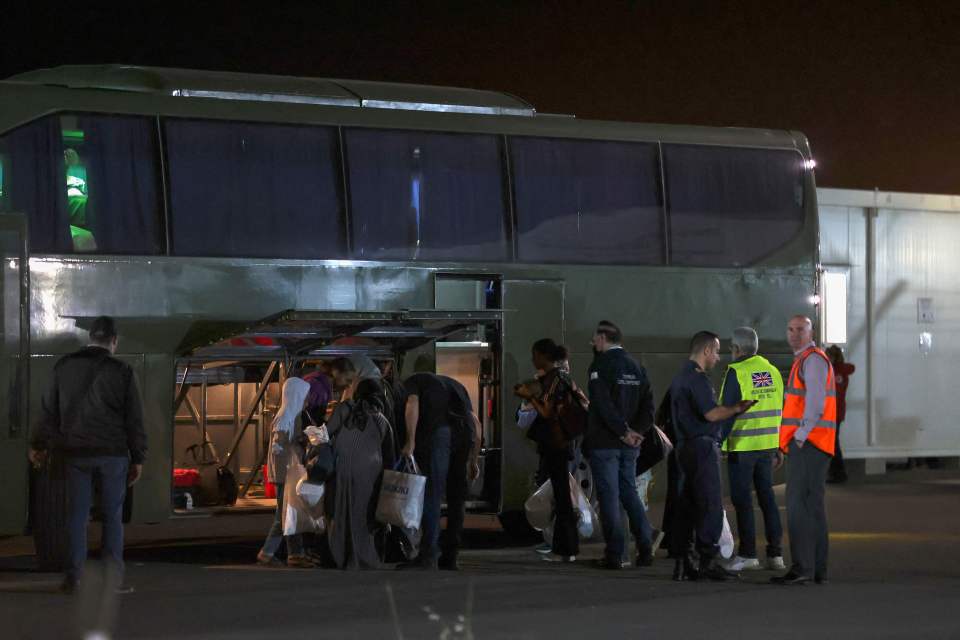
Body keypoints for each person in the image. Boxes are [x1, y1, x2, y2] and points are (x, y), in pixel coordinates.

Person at [28, 316, 147, 594]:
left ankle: (74, 578)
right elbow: (134, 420)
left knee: (76, 516)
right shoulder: (122, 371)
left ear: (90, 337)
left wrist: (37, 444)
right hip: (112, 456)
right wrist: (138, 457)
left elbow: (48, 411)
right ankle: (111, 581)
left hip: (73, 455)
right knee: (112, 517)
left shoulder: (64, 367)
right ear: (114, 342)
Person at [669, 331, 755, 581]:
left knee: (687, 505)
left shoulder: (680, 377)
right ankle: (707, 560)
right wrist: (738, 408)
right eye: (716, 351)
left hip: (684, 447)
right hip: (702, 448)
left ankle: (684, 562)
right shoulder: (697, 379)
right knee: (709, 505)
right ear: (706, 351)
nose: (718, 357)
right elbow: (711, 414)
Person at [584, 320, 656, 570]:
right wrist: (636, 432)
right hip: (631, 445)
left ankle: (617, 554)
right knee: (629, 493)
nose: (592, 343)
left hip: (606, 444)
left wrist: (623, 431)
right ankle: (646, 548)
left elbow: (603, 405)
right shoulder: (637, 367)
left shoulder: (600, 365)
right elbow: (648, 407)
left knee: (610, 498)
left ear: (603, 338)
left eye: (594, 338)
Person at [772, 315, 836, 586]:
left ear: (811, 333)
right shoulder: (808, 360)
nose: (794, 334)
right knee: (812, 506)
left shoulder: (812, 360)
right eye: (790, 329)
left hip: (810, 444)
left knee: (800, 506)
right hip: (812, 443)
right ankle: (814, 568)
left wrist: (799, 436)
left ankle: (803, 568)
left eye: (801, 330)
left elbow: (815, 403)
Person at [717, 327, 786, 572]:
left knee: (743, 500)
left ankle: (748, 554)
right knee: (767, 498)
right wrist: (779, 445)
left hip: (743, 446)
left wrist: (718, 442)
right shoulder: (772, 371)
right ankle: (776, 555)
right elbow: (780, 409)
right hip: (767, 446)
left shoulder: (737, 371)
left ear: (735, 349)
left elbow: (728, 411)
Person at [398, 372, 481, 570]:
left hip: (438, 434)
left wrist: (410, 441)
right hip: (463, 435)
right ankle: (451, 557)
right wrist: (473, 459)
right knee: (456, 498)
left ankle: (428, 555)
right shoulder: (457, 385)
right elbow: (475, 423)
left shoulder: (413, 381)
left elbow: (412, 404)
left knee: (432, 494)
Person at [514, 339, 586, 563]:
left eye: (535, 355)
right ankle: (564, 547)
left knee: (562, 497)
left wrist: (529, 397)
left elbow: (546, 411)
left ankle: (566, 549)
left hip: (556, 443)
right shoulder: (561, 377)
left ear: (544, 356)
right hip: (560, 443)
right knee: (561, 495)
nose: (533, 360)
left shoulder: (555, 378)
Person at [325, 378, 396, 569]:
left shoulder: (343, 410)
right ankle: (362, 558)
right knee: (361, 515)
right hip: (369, 473)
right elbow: (390, 457)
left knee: (341, 513)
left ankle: (340, 556)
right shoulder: (382, 420)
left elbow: (326, 433)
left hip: (342, 470)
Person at [257, 377, 314, 568]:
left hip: (289, 474)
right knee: (283, 516)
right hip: (286, 476)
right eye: (305, 396)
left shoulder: (290, 415)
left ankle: (295, 554)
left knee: (291, 514)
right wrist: (301, 441)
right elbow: (279, 449)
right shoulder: (285, 418)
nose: (307, 400)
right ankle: (267, 553)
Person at [825, 345, 855, 484]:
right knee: (833, 443)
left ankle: (839, 473)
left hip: (833, 413)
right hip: (837, 413)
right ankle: (837, 472)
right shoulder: (841, 372)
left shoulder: (833, 372)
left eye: (828, 356)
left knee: (833, 444)